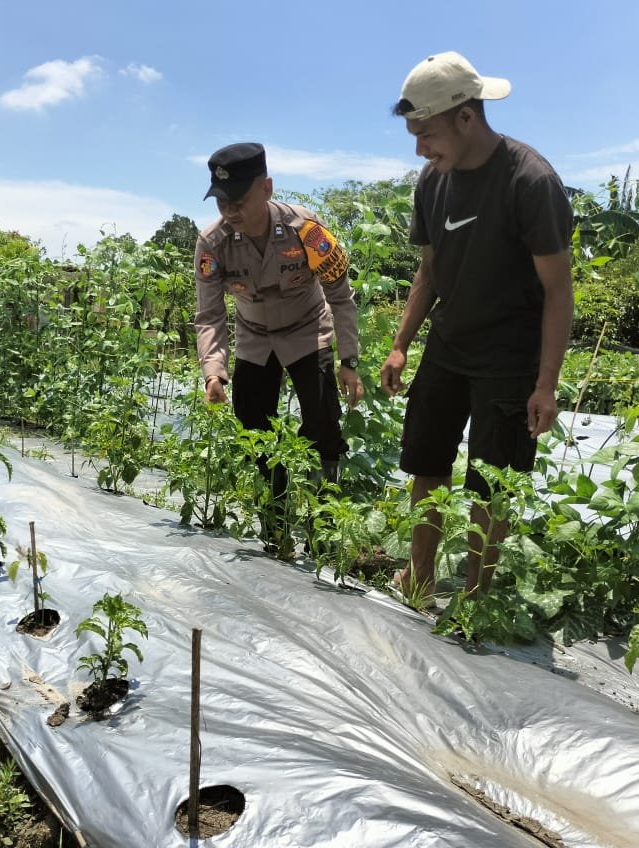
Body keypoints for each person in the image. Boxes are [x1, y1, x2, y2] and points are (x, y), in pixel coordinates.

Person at [381, 52, 574, 601]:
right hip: (448, 345)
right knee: (426, 462)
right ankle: (418, 579)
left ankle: (474, 597)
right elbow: (430, 269)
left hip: (509, 358)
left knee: (491, 485)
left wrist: (545, 384)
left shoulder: (530, 181)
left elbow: (559, 292)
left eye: (427, 133)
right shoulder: (432, 181)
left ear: (466, 117)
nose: (420, 148)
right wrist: (400, 345)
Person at [194, 142, 364, 550]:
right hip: (255, 337)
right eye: (221, 202)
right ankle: (276, 520)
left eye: (239, 200)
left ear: (266, 188)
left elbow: (340, 296)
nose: (230, 211)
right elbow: (210, 315)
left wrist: (348, 360)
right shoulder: (212, 244)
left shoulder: (307, 230)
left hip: (308, 331)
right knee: (253, 425)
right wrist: (213, 371)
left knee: (323, 423)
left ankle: (325, 527)